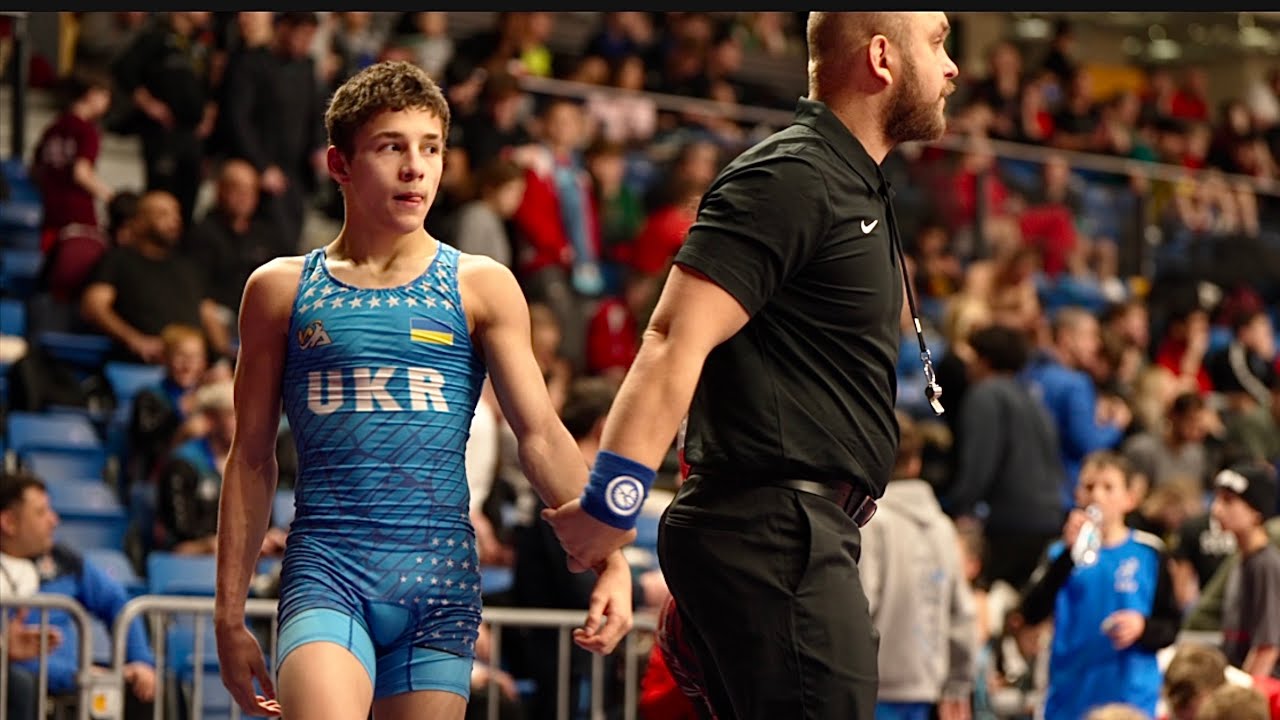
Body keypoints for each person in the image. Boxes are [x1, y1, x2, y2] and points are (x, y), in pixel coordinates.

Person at [542, 12, 960, 719]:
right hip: (772, 532)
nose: (952, 68)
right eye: (939, 42)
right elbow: (674, 336)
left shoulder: (852, 184)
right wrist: (616, 499)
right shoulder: (794, 174)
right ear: (883, 57)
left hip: (794, 534)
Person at [213, 61, 632, 720]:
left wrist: (610, 559)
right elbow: (252, 457)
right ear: (340, 164)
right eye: (391, 147)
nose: (416, 168)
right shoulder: (281, 289)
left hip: (438, 586)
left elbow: (543, 434)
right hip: (328, 572)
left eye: (430, 148)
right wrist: (228, 613)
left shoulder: (481, 285)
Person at [1018, 452, 1181, 719]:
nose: (1097, 496)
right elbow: (1031, 611)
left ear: (1130, 498)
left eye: (1108, 487)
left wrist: (1143, 627)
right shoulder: (1060, 554)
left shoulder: (1149, 552)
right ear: (1077, 495)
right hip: (1071, 692)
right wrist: (1068, 556)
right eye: (1089, 487)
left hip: (1130, 693)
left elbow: (1171, 625)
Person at [860, 412, 976, 720]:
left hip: (873, 687)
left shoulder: (870, 522)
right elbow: (962, 615)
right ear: (915, 464)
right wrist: (958, 684)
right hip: (924, 687)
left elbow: (860, 605)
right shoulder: (943, 527)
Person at [1210, 463, 1280, 678]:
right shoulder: (1242, 558)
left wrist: (1243, 700)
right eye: (1218, 498)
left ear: (1256, 512)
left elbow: (1267, 648)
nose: (1216, 509)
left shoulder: (1265, 565)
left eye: (1228, 501)